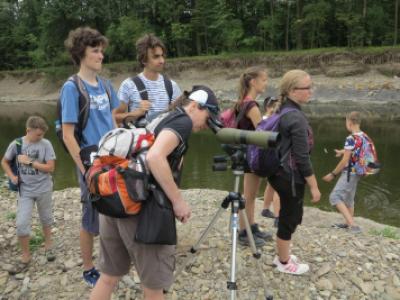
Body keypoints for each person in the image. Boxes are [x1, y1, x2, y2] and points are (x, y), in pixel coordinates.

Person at [89, 85, 220, 300]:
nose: (208, 124)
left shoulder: (163, 116)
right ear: (195, 106)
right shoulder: (183, 121)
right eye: (209, 116)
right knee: (153, 287)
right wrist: (178, 201)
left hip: (116, 200)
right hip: (141, 210)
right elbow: (155, 157)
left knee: (108, 277)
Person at [60, 27, 119, 287]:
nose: (101, 55)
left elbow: (114, 119)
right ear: (80, 53)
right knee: (90, 217)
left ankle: (112, 263)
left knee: (115, 209)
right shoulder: (72, 88)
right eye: (95, 50)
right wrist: (84, 168)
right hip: (90, 162)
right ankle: (88, 268)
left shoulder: (106, 85)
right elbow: (67, 135)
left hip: (113, 159)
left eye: (101, 50)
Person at [268, 69, 321, 275]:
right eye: (307, 88)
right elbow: (302, 158)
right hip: (290, 177)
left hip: (278, 173)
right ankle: (283, 262)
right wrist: (314, 186)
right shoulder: (295, 117)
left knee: (288, 215)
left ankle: (283, 253)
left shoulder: (284, 111)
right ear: (292, 90)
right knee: (290, 218)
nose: (311, 91)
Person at [1, 116, 56, 265]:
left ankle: (49, 245)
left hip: (44, 188)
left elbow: (50, 168)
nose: (41, 137)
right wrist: (12, 176)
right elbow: (4, 161)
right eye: (38, 134)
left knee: (46, 217)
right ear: (28, 131)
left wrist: (30, 162)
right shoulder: (16, 144)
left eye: (43, 134)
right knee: (21, 224)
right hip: (24, 190)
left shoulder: (46, 144)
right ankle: (26, 255)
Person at [235, 66, 272, 247]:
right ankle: (243, 233)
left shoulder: (244, 101)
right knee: (249, 196)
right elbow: (262, 133)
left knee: (250, 194)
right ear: (253, 82)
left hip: (246, 153)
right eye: (264, 80)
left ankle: (251, 226)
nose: (266, 83)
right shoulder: (252, 105)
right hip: (251, 154)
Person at [113, 34, 182, 125]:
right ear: (143, 60)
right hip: (139, 137)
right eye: (156, 57)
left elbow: (181, 117)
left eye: (162, 56)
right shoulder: (128, 85)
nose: (162, 61)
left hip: (165, 137)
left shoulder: (172, 86)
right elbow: (114, 117)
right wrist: (136, 113)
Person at [322, 111, 365, 233]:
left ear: (350, 122)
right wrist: (342, 151)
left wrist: (333, 174)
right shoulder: (363, 136)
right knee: (349, 200)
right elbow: (355, 151)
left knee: (335, 197)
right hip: (357, 172)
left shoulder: (350, 138)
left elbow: (345, 160)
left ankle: (353, 226)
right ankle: (347, 223)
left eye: (346, 121)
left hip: (349, 173)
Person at [260, 96, 280, 225]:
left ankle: (265, 209)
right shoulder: (272, 121)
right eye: (275, 105)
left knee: (271, 184)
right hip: (273, 157)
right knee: (279, 185)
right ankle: (279, 217)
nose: (278, 108)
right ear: (268, 107)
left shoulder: (261, 120)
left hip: (264, 158)